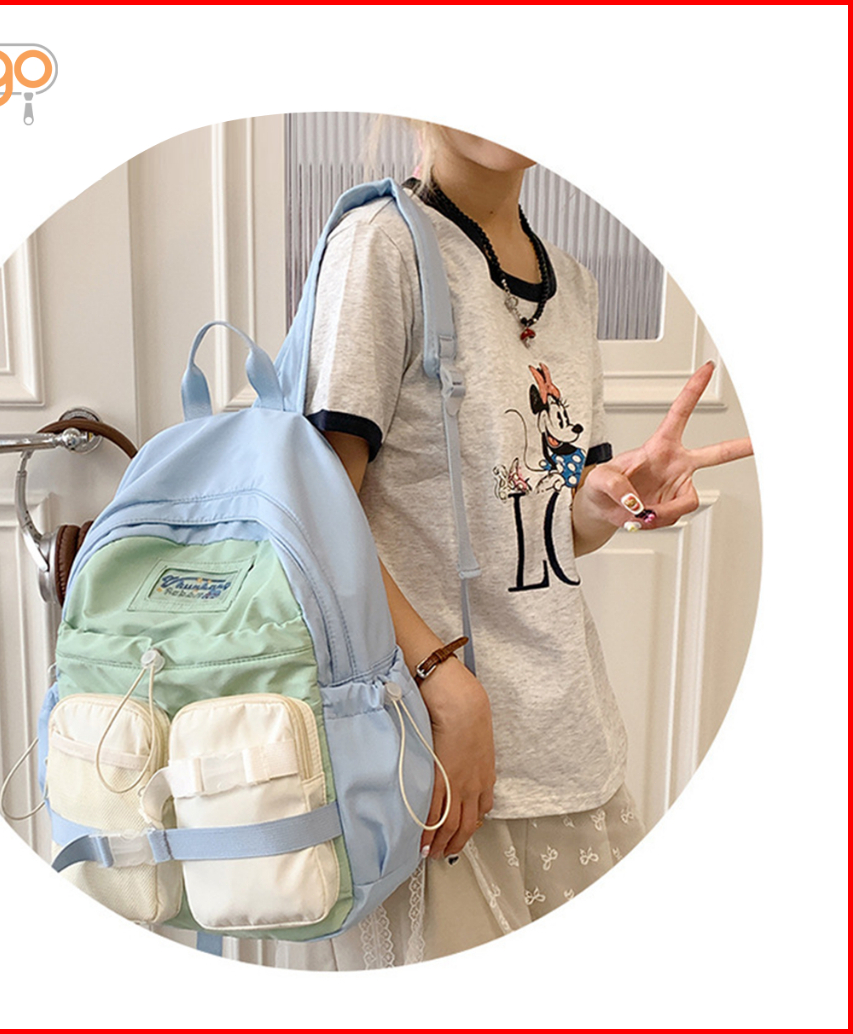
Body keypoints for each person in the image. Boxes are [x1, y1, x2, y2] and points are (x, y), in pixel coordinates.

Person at [214, 123, 752, 969]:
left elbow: (548, 524)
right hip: (430, 757)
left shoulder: (572, 282)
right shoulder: (381, 247)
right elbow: (313, 512)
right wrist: (447, 687)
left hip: (570, 743)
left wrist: (605, 505)